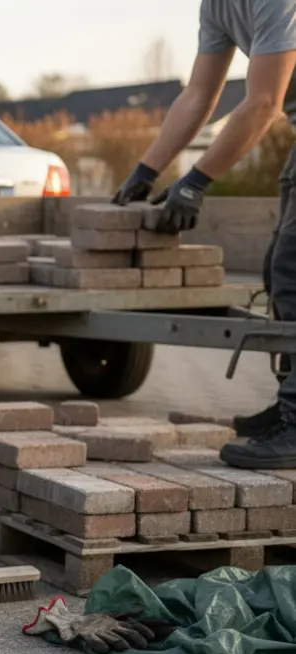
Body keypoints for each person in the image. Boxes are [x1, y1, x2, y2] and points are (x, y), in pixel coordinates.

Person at [111, 0, 296, 469]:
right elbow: (198, 95)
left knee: (294, 270)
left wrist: (196, 181)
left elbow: (264, 104)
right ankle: (290, 406)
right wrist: (146, 170)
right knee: (281, 273)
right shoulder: (216, 6)